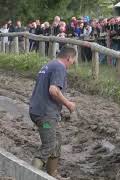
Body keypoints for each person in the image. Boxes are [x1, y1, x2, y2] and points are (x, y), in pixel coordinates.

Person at [29, 45, 76, 178]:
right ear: (69, 57)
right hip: (45, 116)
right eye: (73, 60)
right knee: (49, 144)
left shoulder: (49, 65)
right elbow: (53, 90)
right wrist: (68, 104)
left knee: (56, 139)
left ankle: (52, 174)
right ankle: (29, 175)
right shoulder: (60, 67)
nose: (72, 63)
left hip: (39, 111)